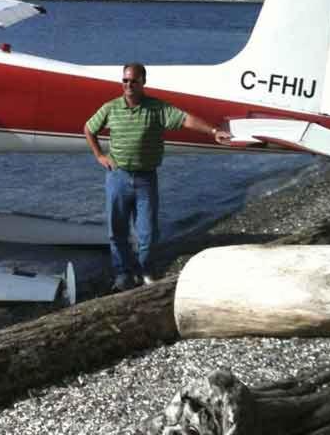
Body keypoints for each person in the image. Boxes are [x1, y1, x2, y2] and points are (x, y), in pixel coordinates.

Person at [84, 63, 232, 292]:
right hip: (118, 177)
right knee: (117, 231)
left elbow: (185, 119)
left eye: (133, 81)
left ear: (143, 82)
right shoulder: (110, 108)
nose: (128, 85)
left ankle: (145, 271)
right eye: (125, 81)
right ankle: (123, 273)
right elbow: (89, 129)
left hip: (145, 179)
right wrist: (99, 155)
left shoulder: (157, 108)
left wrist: (213, 131)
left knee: (148, 232)